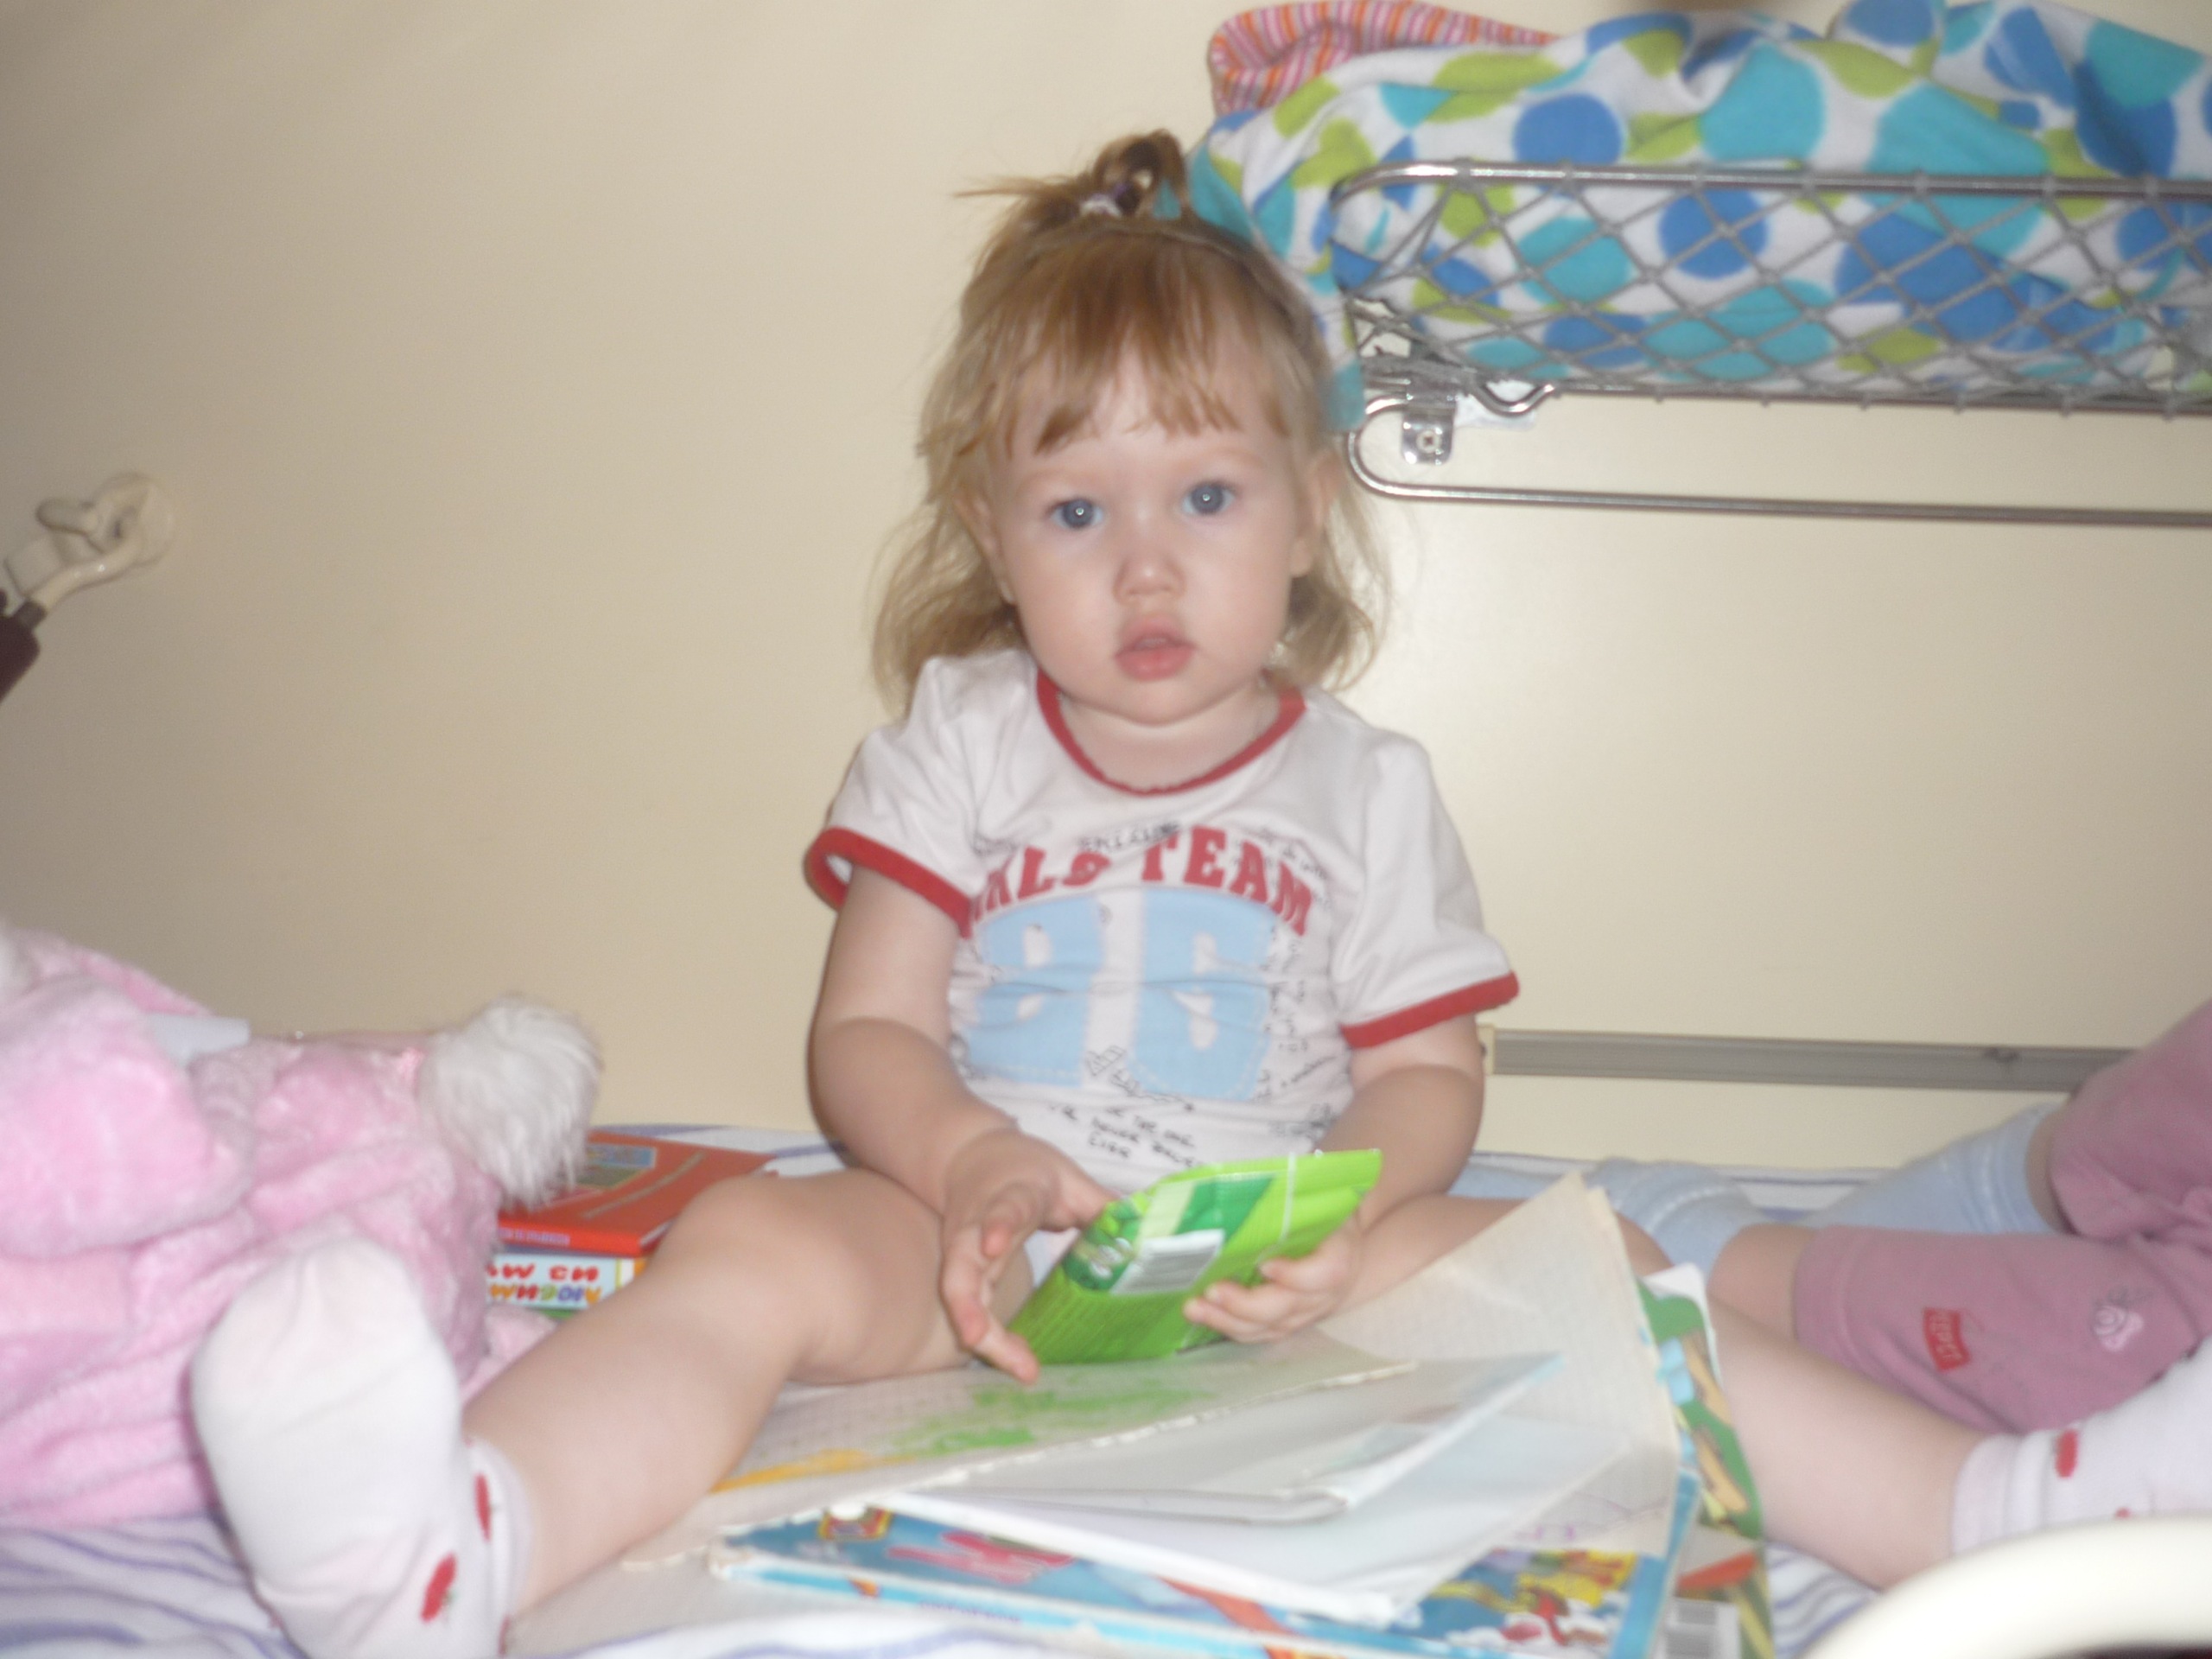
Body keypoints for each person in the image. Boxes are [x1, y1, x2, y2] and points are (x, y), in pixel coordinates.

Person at [186, 133, 2212, 1659]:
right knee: (747, 1242)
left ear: (1308, 507)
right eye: (1077, 510)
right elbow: (865, 1029)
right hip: (977, 1257)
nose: (1144, 568)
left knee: (1592, 1269)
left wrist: (1336, 1214)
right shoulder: (960, 739)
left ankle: (1983, 1511)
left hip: (1272, 1272)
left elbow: (1427, 1073)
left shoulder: (1363, 787)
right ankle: (454, 1547)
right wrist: (968, 1168)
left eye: (1206, 498)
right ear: (991, 531)